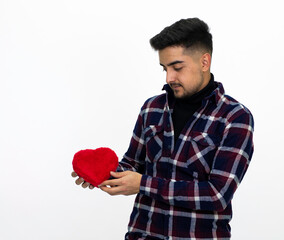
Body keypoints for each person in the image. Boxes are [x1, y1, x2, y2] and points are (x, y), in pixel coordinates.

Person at [72, 17, 254, 239]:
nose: (169, 78)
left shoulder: (234, 117)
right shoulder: (152, 109)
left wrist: (144, 184)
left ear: (204, 62)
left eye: (177, 68)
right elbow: (133, 164)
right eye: (164, 68)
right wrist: (103, 174)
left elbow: (216, 194)